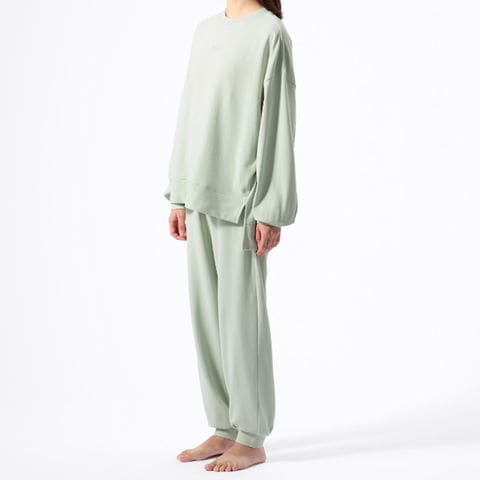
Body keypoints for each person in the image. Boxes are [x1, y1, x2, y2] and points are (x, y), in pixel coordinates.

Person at [164, 0, 297, 472]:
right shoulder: (205, 31)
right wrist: (179, 192)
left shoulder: (270, 34)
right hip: (198, 192)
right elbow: (190, 108)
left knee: (242, 321)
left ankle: (252, 436)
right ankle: (223, 426)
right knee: (207, 319)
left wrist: (271, 207)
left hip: (242, 198)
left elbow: (277, 121)